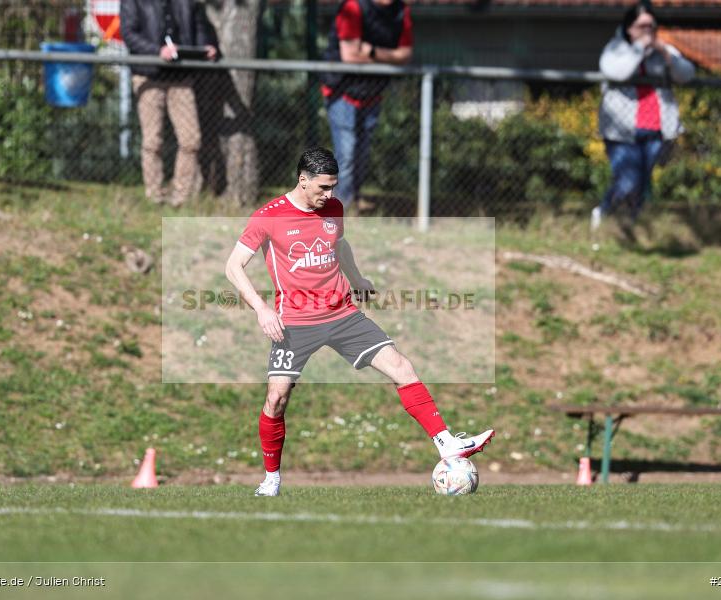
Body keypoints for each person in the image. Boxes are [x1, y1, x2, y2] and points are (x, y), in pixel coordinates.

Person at [225, 147, 494, 497]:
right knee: (276, 399)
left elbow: (338, 245)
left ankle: (446, 443)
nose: (330, 194)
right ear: (302, 180)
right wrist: (263, 309)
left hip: (342, 314)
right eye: (323, 187)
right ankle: (271, 479)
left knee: (401, 366)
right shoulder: (269, 216)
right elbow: (233, 266)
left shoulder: (334, 209)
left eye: (333, 186)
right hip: (295, 321)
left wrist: (357, 279)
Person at [592, 0, 694, 231]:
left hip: (656, 127)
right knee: (628, 179)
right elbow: (617, 72)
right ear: (629, 28)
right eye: (642, 26)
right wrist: (639, 48)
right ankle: (603, 213)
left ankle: (629, 225)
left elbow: (687, 74)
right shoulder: (616, 49)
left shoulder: (663, 50)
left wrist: (666, 54)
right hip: (622, 130)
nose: (648, 31)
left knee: (641, 182)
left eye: (651, 26)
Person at [120, 0, 219, 207]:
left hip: (180, 76)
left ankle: (181, 196)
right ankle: (154, 195)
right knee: (152, 140)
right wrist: (157, 51)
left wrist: (205, 48)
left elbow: (200, 28)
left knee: (191, 140)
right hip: (148, 74)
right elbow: (129, 34)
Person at [320, 0, 413, 212]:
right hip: (341, 91)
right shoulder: (353, 6)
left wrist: (370, 51)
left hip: (371, 94)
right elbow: (350, 55)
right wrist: (389, 57)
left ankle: (351, 199)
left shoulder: (401, 11)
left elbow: (405, 55)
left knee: (361, 153)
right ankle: (341, 207)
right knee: (347, 152)